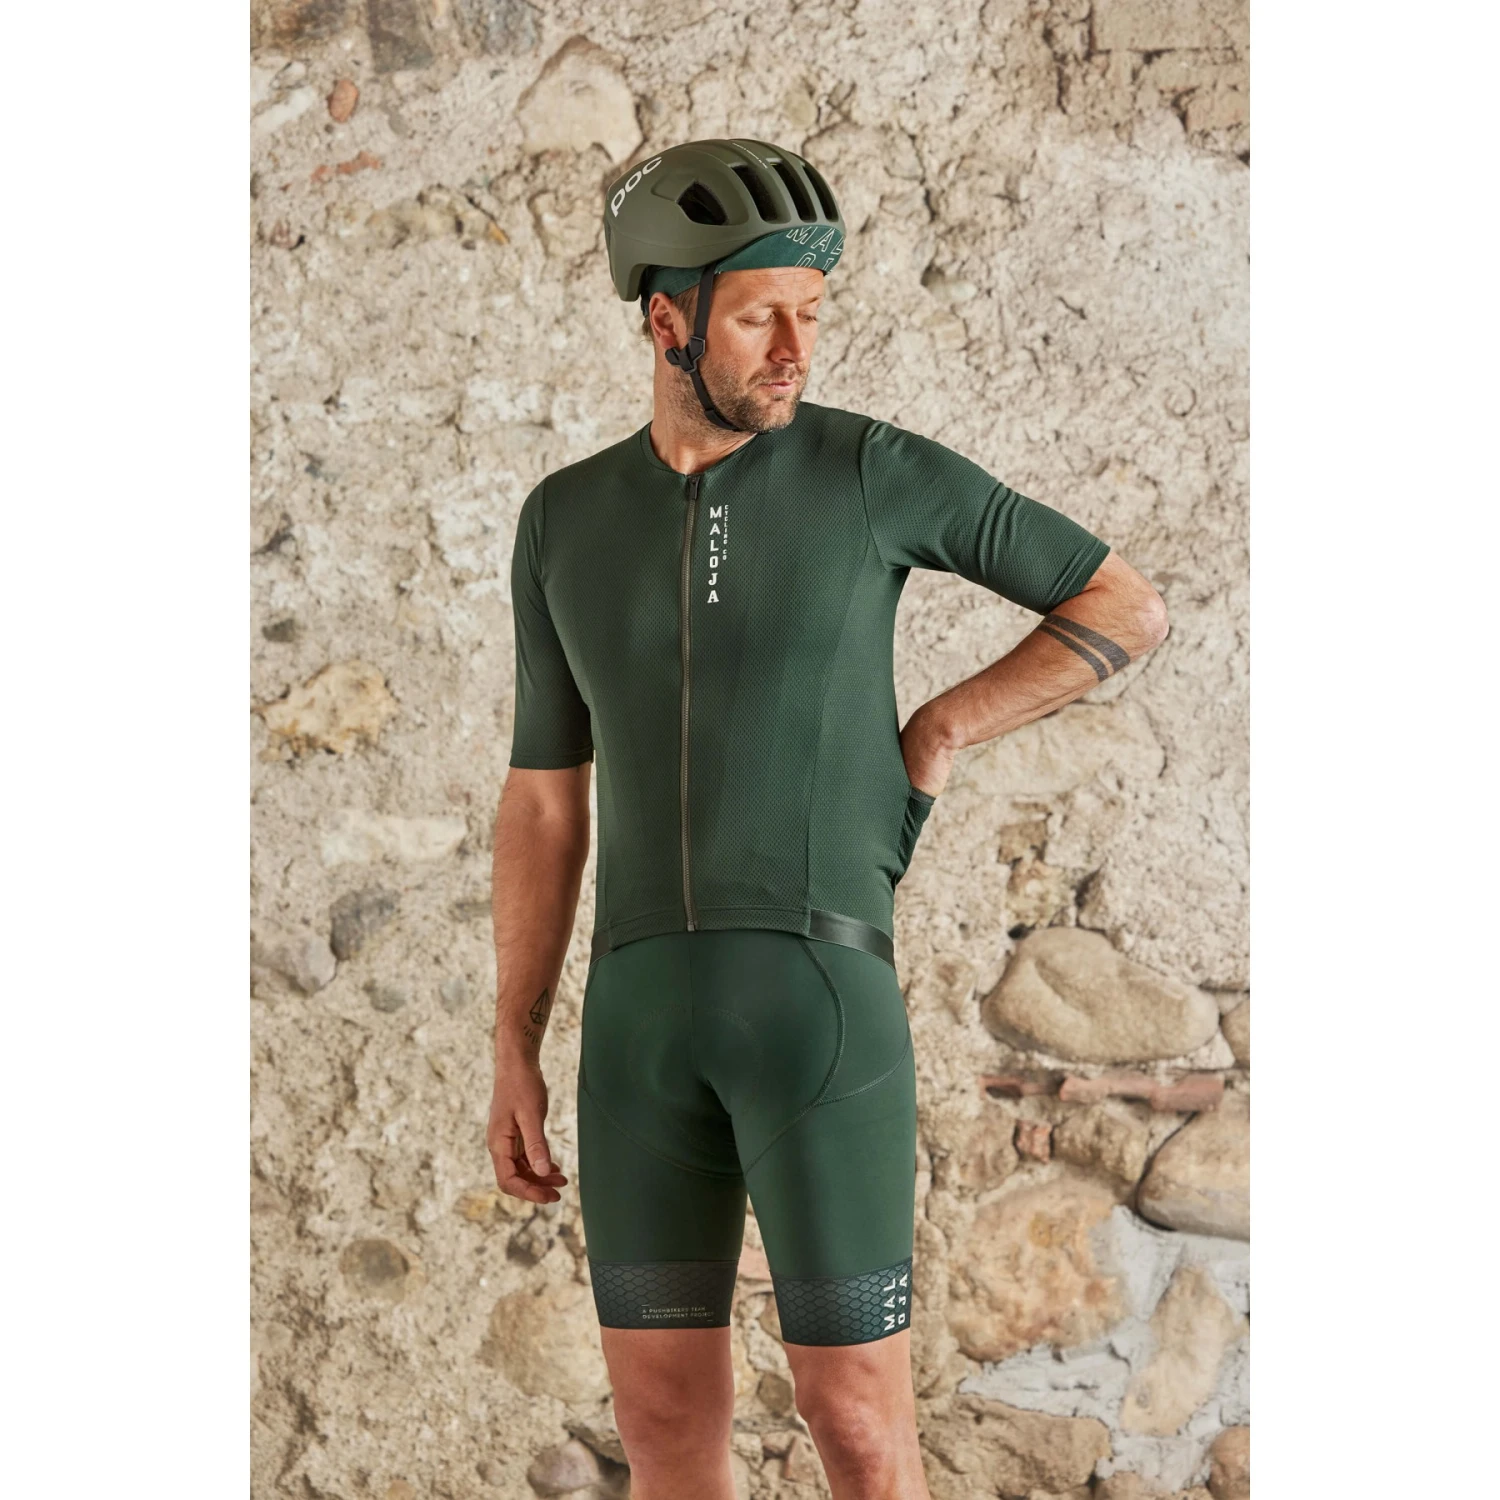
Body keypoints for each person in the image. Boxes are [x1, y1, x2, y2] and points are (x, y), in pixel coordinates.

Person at [487, 138, 1168, 1500]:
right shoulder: (562, 521)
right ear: (667, 320)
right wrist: (513, 1039)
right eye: (761, 317)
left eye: (813, 312)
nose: (797, 349)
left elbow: (1122, 605)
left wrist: (942, 729)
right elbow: (545, 799)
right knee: (662, 1426)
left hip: (817, 1010)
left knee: (855, 1417)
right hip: (635, 1030)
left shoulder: (868, 470)